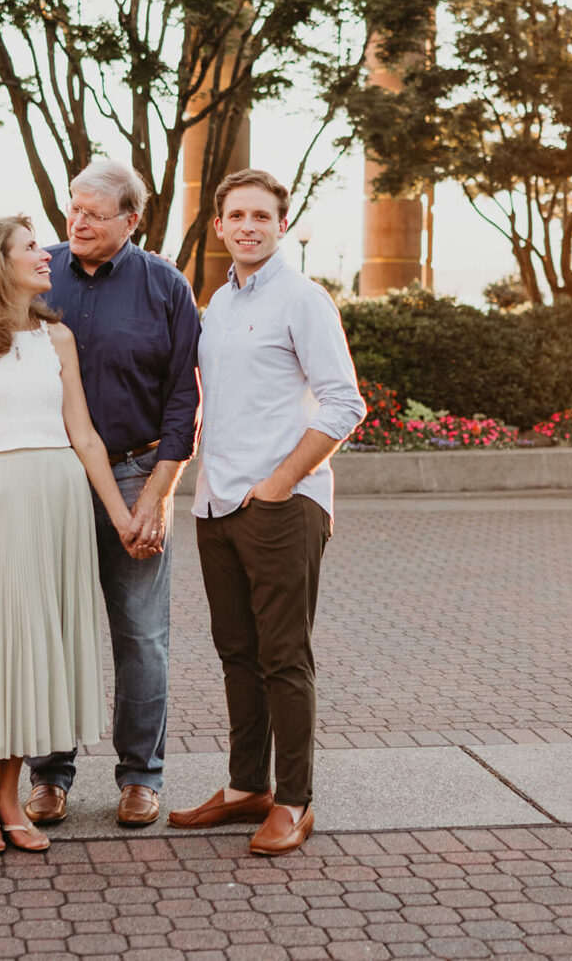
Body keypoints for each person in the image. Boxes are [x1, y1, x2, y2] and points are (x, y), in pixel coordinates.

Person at [167, 168, 366, 856]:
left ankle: (294, 799)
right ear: (218, 225)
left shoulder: (303, 299)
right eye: (235, 215)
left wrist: (282, 482)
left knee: (285, 656)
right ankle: (246, 784)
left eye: (261, 214)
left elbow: (345, 402)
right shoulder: (217, 304)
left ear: (281, 224)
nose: (248, 225)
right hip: (217, 503)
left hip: (280, 504)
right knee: (237, 653)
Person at [0, 215, 126, 853]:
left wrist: (121, 518)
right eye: (31, 247)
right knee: (3, 643)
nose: (47, 255)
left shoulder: (58, 338)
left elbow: (85, 435)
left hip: (60, 497)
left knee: (37, 646)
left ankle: (7, 794)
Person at [25, 161, 200, 829]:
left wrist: (157, 494)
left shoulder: (165, 285)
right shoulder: (37, 271)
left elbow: (186, 397)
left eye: (96, 212)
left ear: (132, 220)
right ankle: (48, 773)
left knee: (141, 636)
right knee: (52, 629)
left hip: (135, 474)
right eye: (74, 207)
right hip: (52, 478)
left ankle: (140, 776)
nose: (78, 221)